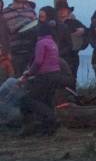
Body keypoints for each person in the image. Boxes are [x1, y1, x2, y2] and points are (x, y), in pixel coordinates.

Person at [17, 7, 66, 136]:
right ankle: (47, 128)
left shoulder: (41, 43)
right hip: (55, 75)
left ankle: (51, 119)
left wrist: (28, 73)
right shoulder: (52, 42)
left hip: (45, 76)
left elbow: (38, 61)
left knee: (27, 100)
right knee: (45, 100)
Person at [3, 0, 38, 76]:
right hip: (14, 53)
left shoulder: (31, 11)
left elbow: (35, 27)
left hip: (30, 51)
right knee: (14, 80)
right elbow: (7, 30)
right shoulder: (5, 12)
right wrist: (24, 23)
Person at [54, 1, 87, 89]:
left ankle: (71, 97)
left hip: (72, 55)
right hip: (56, 55)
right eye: (60, 10)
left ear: (68, 11)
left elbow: (88, 32)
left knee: (72, 77)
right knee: (56, 78)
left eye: (64, 10)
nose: (62, 12)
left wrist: (83, 31)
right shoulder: (53, 24)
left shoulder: (74, 22)